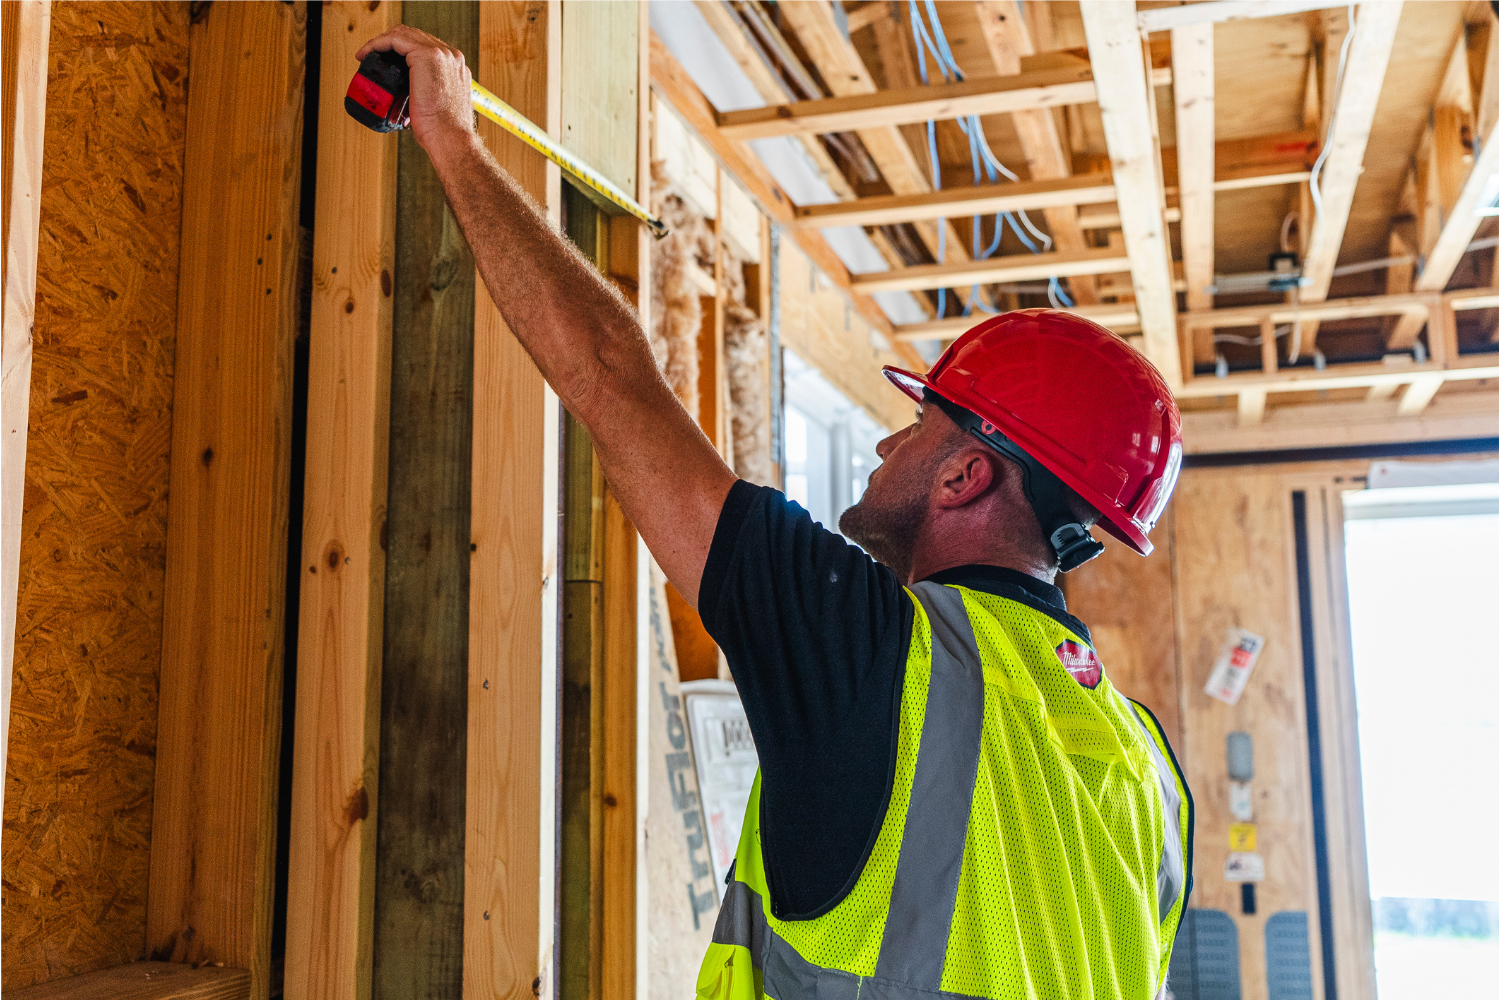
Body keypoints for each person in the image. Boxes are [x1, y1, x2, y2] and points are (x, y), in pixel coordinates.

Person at [357, 26, 1193, 1000]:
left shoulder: (878, 647)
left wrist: (452, 136)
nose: (886, 445)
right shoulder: (1149, 771)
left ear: (967, 476)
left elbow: (613, 381)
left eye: (915, 424)